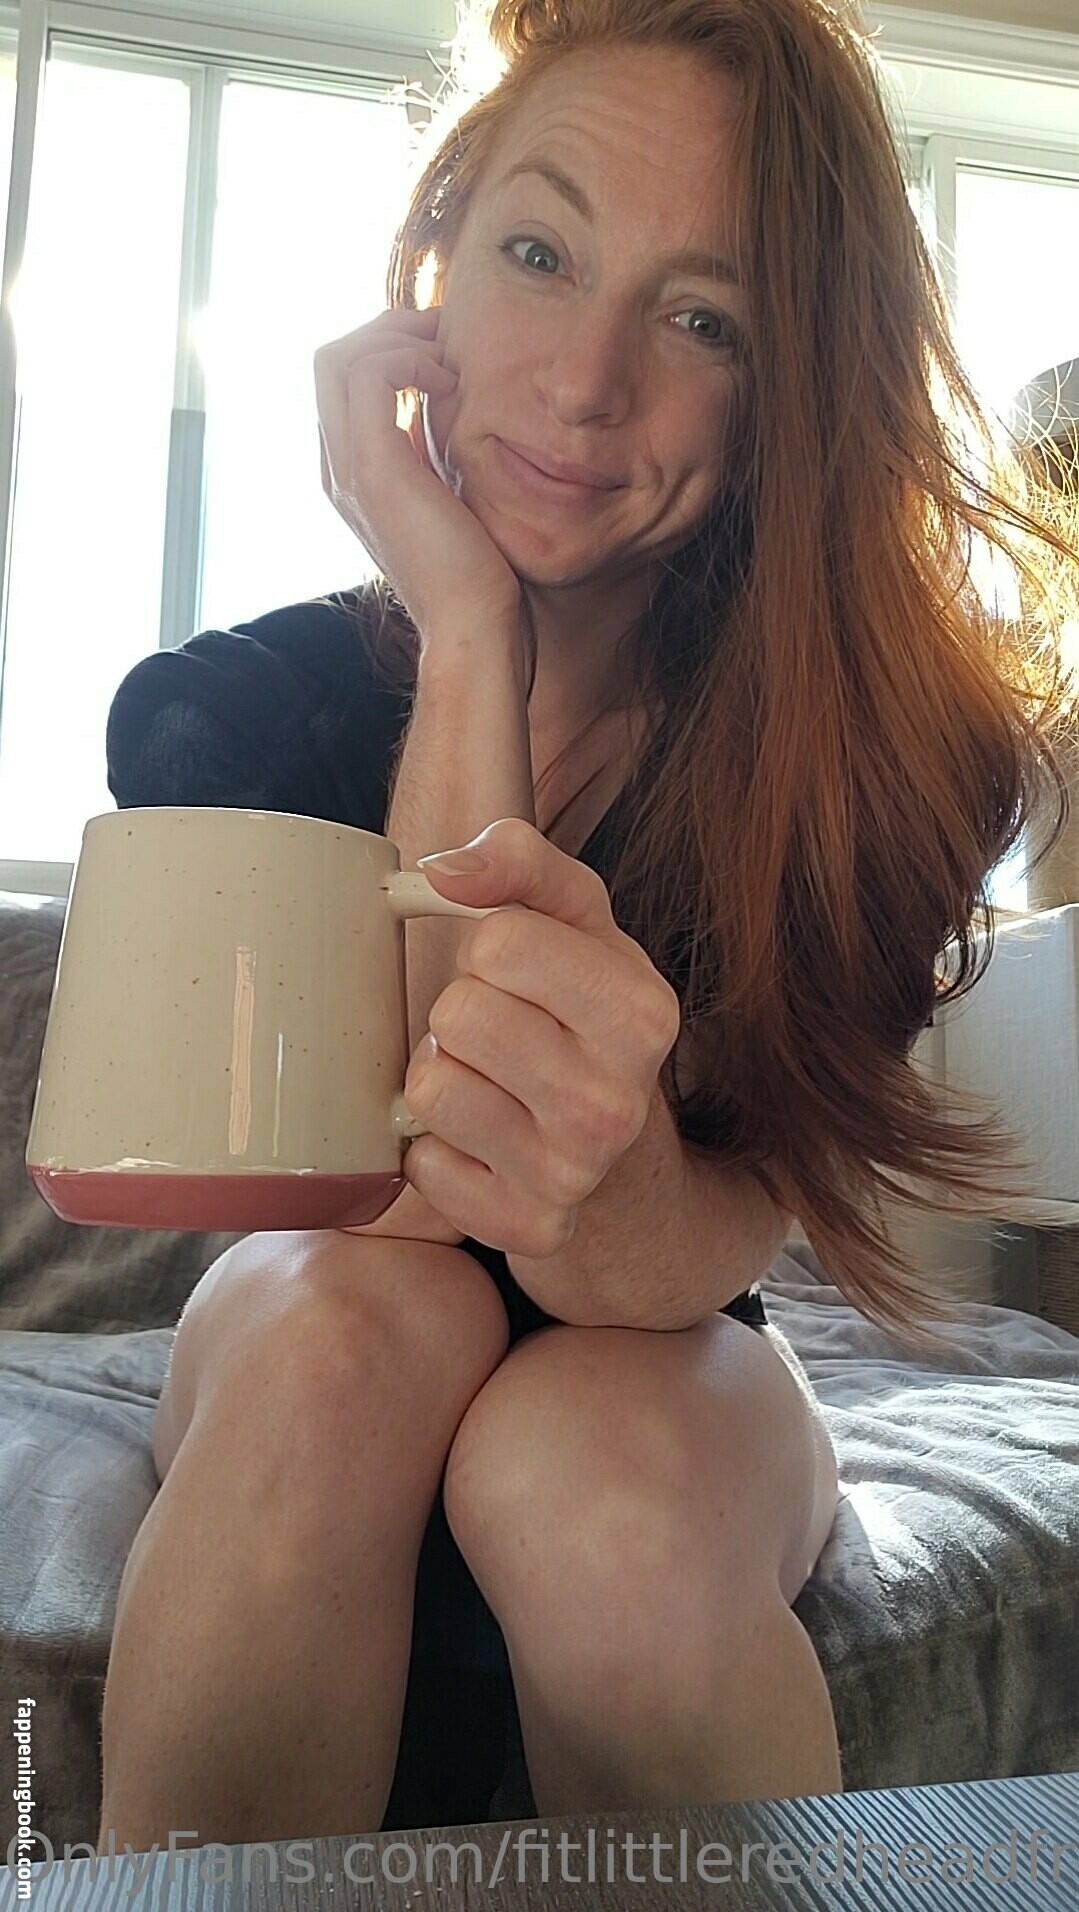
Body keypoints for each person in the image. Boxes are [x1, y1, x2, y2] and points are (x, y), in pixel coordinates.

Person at [95, 0, 1079, 1855]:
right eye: (540, 256)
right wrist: (468, 628)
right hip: (318, 1299)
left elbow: (737, 1218)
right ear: (434, 268)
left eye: (703, 320)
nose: (582, 384)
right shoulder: (239, 717)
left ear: (788, 393)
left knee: (595, 1478)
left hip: (670, 1337)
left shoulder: (878, 762)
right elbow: (379, 1202)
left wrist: (621, 1204)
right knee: (345, 1339)